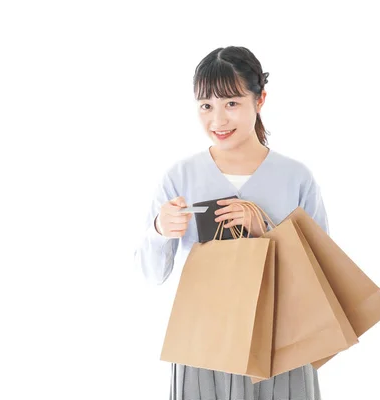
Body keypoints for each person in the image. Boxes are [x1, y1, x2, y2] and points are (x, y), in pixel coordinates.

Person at [134, 46, 329, 400]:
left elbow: (323, 276)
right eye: (206, 105)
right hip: (202, 342)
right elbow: (150, 274)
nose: (218, 120)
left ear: (260, 100)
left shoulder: (295, 177)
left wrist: (265, 232)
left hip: (280, 342)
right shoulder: (180, 176)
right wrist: (159, 230)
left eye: (232, 103)